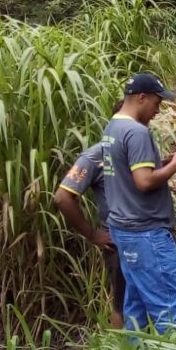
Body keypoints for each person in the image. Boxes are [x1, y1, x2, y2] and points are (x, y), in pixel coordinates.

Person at [102, 73, 176, 332]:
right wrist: (175, 166)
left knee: (136, 304)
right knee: (170, 303)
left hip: (124, 228)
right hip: (146, 231)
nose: (158, 110)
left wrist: (163, 163)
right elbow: (143, 181)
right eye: (157, 102)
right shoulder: (136, 131)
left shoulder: (113, 127)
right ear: (141, 98)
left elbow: (128, 172)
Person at [54, 102, 125, 328]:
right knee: (121, 302)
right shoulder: (96, 156)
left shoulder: (137, 150)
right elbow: (62, 197)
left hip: (146, 236)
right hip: (117, 239)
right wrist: (92, 234)